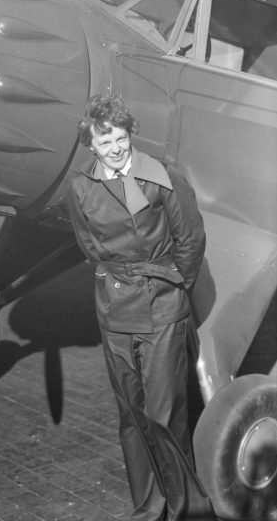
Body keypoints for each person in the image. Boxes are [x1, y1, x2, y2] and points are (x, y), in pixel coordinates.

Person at [66, 94, 215, 521]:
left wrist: (170, 286)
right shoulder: (80, 187)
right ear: (91, 145)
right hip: (114, 307)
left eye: (120, 136)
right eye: (104, 139)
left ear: (130, 133)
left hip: (163, 303)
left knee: (164, 413)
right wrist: (122, 277)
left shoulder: (163, 176)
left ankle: (191, 511)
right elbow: (88, 245)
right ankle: (149, 509)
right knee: (132, 416)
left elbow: (191, 241)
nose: (114, 146)